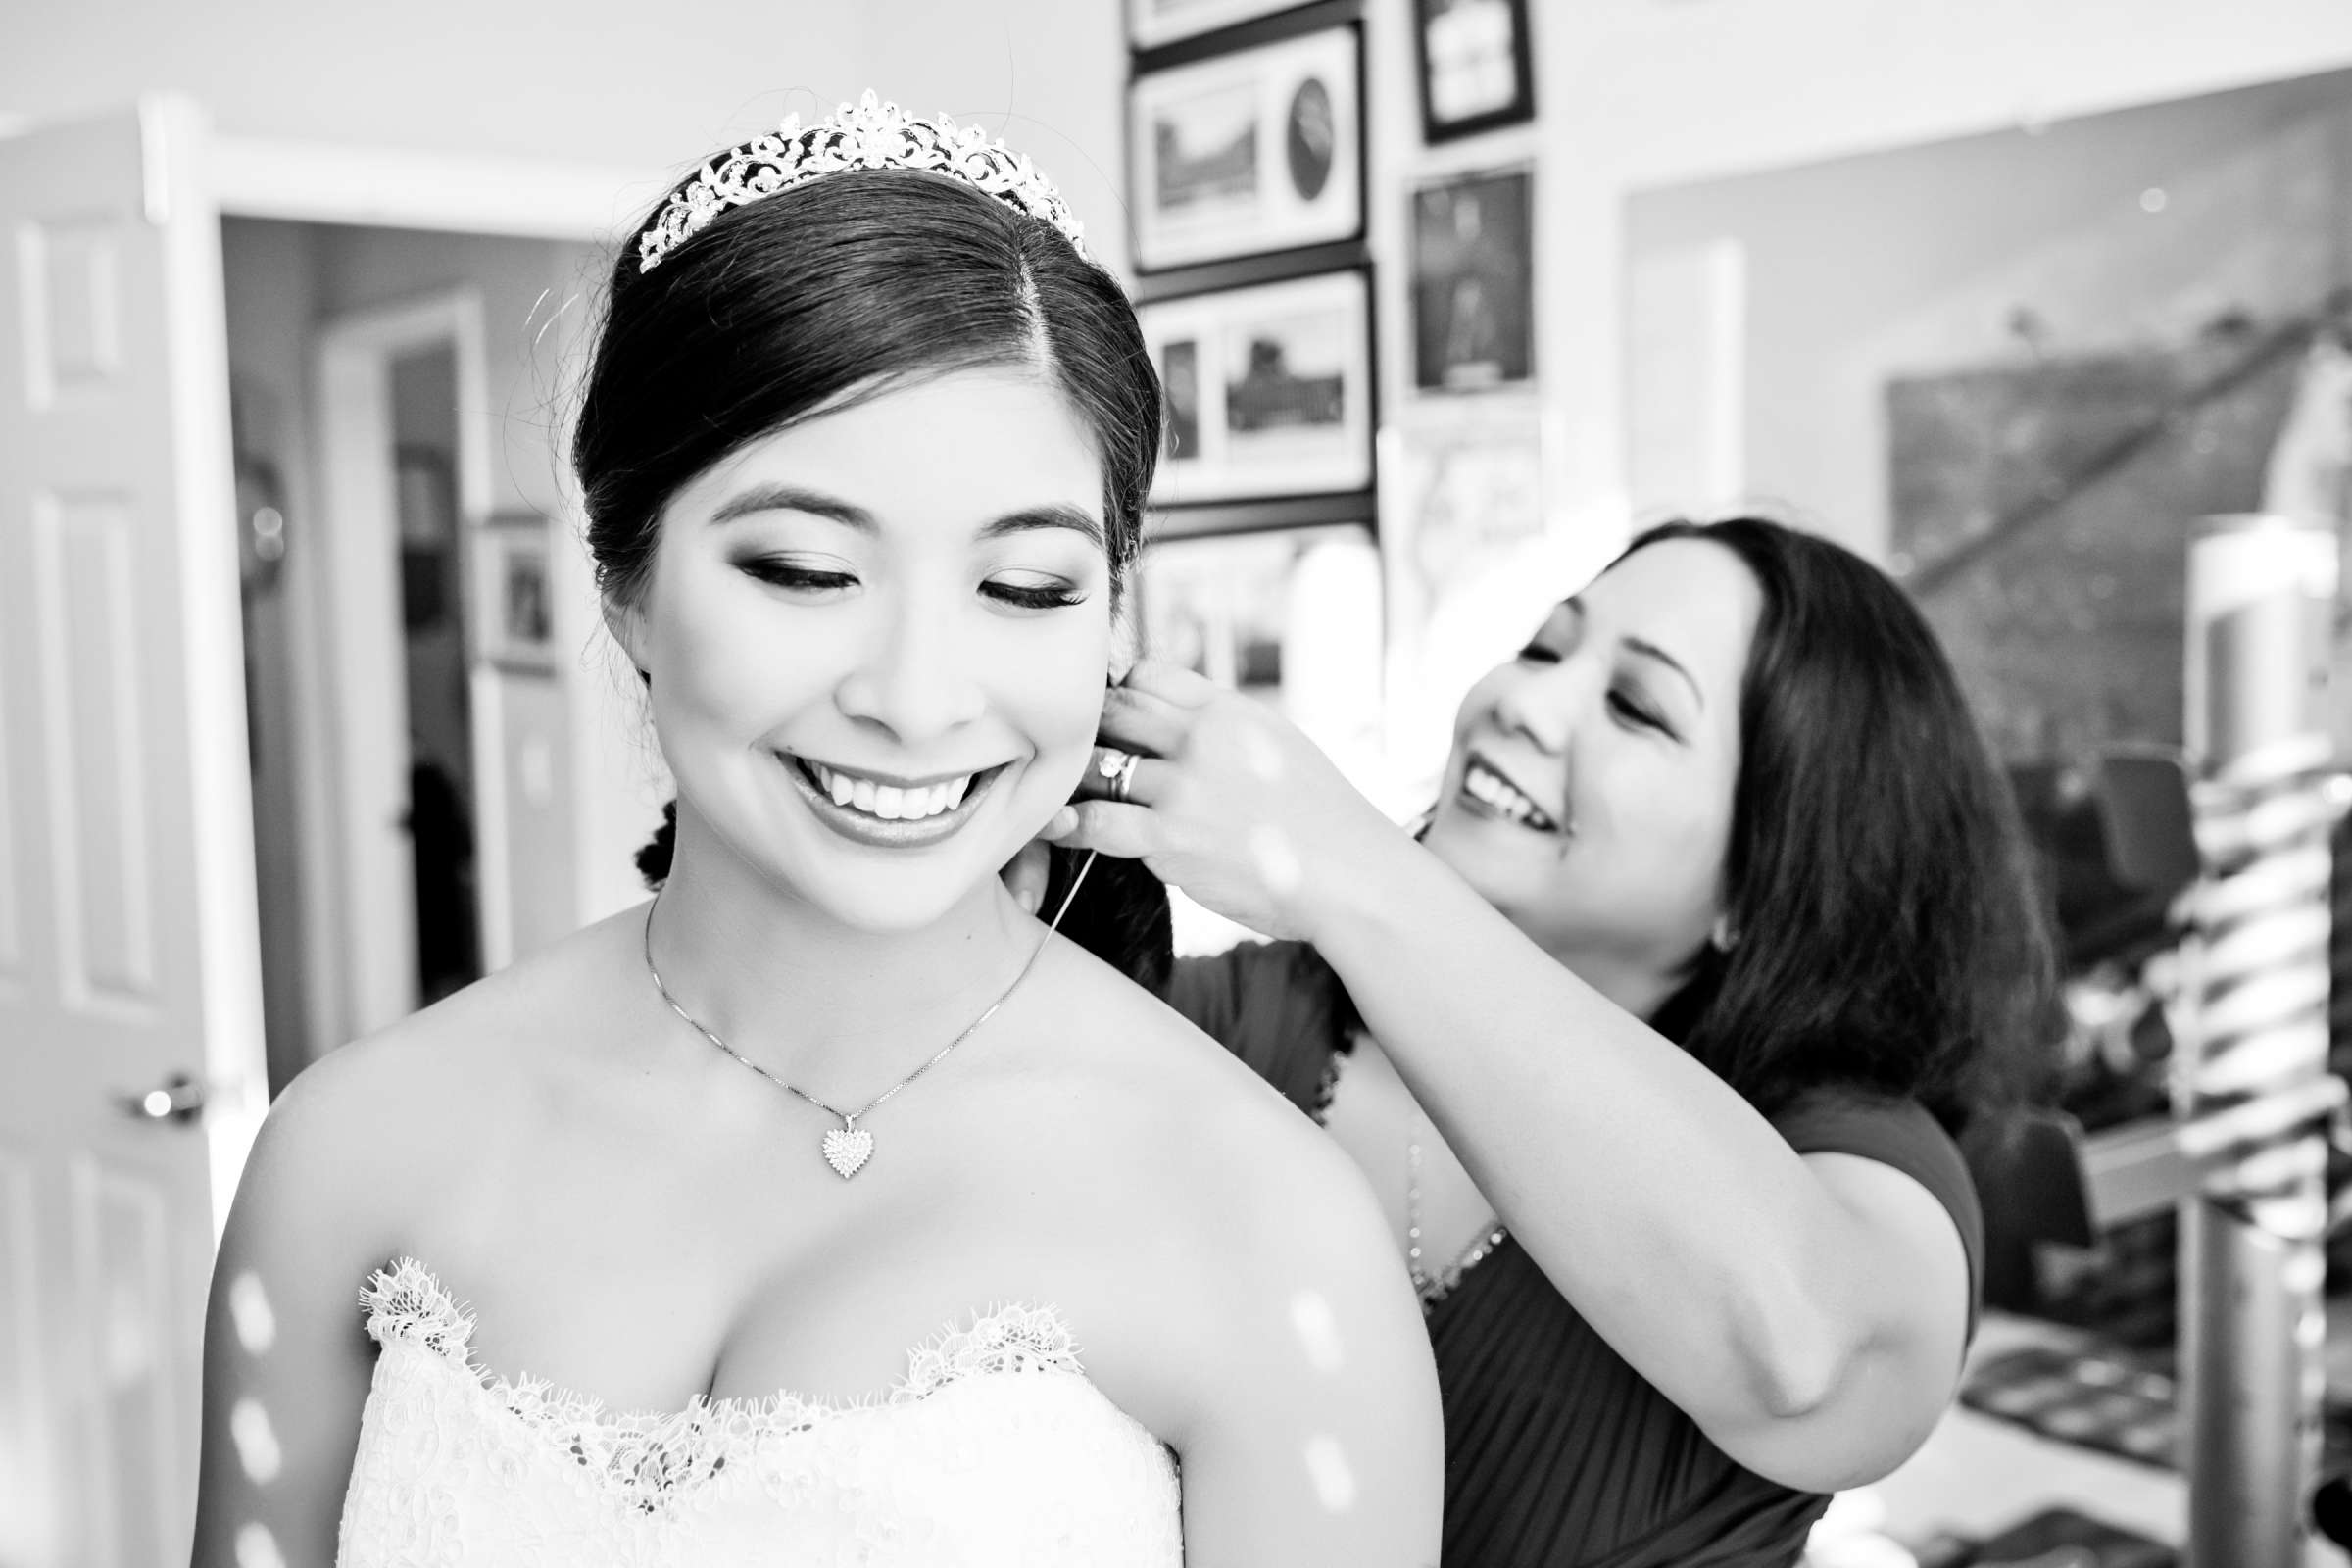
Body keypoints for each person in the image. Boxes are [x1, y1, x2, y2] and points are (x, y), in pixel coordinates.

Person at [189, 95, 1441, 1568]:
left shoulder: (1271, 1234)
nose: (916, 702)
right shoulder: (351, 1152)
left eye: (1026, 589)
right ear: (626, 584)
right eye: (803, 568)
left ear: (1111, 618)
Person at [1037, 515, 2058, 1566]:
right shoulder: (1233, 1026)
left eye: (1636, 707)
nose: (1523, 702)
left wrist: (1343, 864)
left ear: (1764, 879)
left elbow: (1805, 1361)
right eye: (1544, 647)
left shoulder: (1847, 1161)